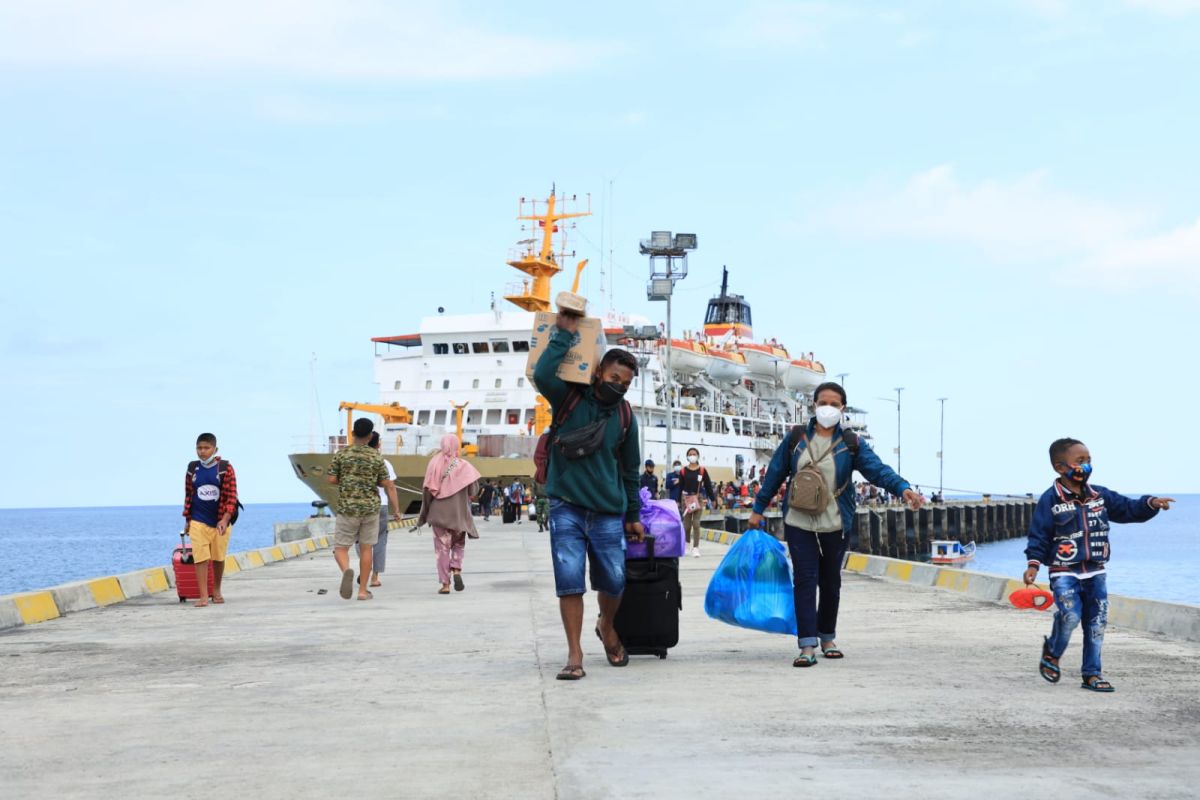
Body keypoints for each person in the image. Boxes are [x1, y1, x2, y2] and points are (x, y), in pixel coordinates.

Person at [750, 382, 922, 667]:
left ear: (843, 408)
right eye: (822, 402)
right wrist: (758, 509)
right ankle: (807, 645)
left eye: (834, 403)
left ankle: (827, 637)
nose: (828, 408)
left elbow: (878, 470)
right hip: (799, 519)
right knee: (805, 580)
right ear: (814, 405)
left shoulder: (851, 443)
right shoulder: (795, 438)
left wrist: (902, 488)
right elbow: (775, 474)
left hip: (836, 522)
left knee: (830, 582)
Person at [533, 311, 645, 681]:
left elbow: (631, 471)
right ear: (598, 373)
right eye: (614, 378)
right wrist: (563, 334)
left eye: (625, 384)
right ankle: (574, 654)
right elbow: (543, 374)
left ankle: (606, 624)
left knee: (614, 580)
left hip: (608, 511)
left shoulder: (626, 417)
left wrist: (633, 514)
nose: (619, 387)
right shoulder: (569, 399)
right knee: (569, 580)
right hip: (566, 504)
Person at [1022, 438, 1174, 692]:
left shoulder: (1100, 496)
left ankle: (1092, 674)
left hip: (1096, 571)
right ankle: (1052, 652)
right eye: (1079, 461)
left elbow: (1128, 509)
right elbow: (1039, 534)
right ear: (1060, 467)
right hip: (1064, 571)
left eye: (1089, 460)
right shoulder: (1050, 500)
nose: (1086, 465)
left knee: (1096, 623)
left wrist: (1151, 504)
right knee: (1070, 616)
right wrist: (1033, 564)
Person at [327, 418, 400, 601]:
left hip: (347, 508)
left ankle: (346, 571)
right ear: (369, 436)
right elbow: (386, 483)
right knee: (367, 549)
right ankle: (362, 591)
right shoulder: (376, 457)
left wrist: (347, 479)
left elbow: (331, 479)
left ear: (352, 433)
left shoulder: (341, 454)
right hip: (370, 509)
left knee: (341, 548)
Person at [418, 434, 482, 594]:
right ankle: (457, 569)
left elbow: (427, 492)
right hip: (459, 515)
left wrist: (423, 515)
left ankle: (445, 584)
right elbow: (474, 490)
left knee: (442, 549)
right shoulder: (464, 465)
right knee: (459, 544)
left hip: (439, 515)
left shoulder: (433, 464)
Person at [182, 433, 239, 607]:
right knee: (200, 558)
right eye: (199, 448)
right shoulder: (192, 469)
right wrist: (188, 520)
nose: (202, 452)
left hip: (220, 520)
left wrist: (224, 519)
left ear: (215, 449)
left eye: (206, 448)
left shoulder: (224, 468)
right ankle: (203, 596)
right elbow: (188, 496)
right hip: (198, 520)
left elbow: (231, 497)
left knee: (218, 557)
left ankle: (216, 591)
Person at [357, 432, 397, 588]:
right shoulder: (384, 462)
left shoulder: (356, 461)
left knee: (361, 540)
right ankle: (374, 577)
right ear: (378, 444)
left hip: (360, 505)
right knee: (380, 540)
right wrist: (397, 510)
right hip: (381, 505)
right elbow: (391, 487)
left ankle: (365, 569)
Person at [679, 447, 715, 558]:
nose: (692, 456)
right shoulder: (683, 471)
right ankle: (686, 545)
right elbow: (680, 487)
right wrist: (677, 501)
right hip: (686, 500)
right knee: (687, 525)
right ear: (687, 456)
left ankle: (695, 548)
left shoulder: (702, 470)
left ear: (698, 456)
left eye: (694, 454)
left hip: (698, 499)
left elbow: (708, 485)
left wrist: (712, 499)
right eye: (690, 454)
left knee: (696, 523)